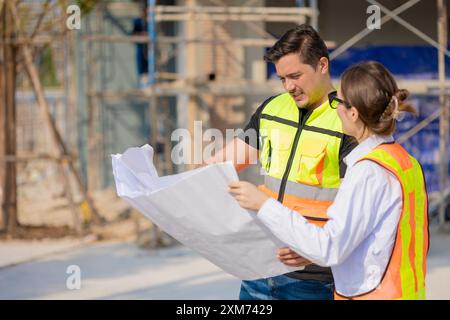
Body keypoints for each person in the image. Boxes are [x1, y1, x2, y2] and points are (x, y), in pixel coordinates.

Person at [229, 61, 429, 300]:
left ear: (353, 113)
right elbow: (368, 238)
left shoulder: (368, 171)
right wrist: (314, 250)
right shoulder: (404, 161)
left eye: (340, 101)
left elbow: (330, 248)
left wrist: (263, 204)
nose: (335, 108)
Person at [206, 24, 357, 300]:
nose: (289, 86)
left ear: (322, 65)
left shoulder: (347, 121)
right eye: (282, 78)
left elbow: (354, 210)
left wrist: (314, 251)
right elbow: (224, 164)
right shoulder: (271, 109)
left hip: (313, 278)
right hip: (260, 270)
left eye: (295, 76)